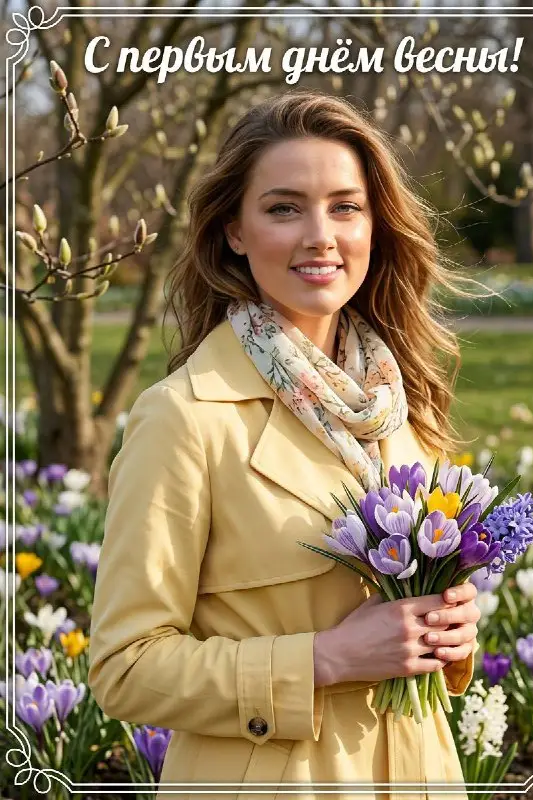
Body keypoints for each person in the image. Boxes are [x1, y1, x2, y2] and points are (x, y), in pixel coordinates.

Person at [88, 91, 482, 800]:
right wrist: (322, 661)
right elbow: (124, 667)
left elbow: (408, 616)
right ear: (234, 230)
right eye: (282, 208)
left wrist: (450, 631)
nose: (320, 235)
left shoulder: (402, 405)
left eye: (344, 206)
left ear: (376, 225)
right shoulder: (184, 418)